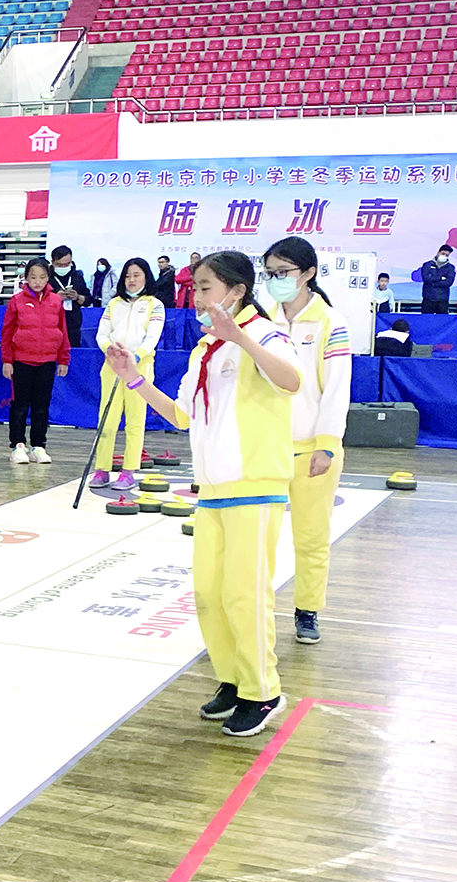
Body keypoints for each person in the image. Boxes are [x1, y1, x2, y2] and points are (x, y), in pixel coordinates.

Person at [103, 250, 303, 737]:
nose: (196, 295)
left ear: (236, 291)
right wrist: (132, 376)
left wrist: (241, 339)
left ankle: (263, 690)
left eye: (207, 286)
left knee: (244, 594)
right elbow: (180, 414)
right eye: (195, 286)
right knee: (210, 596)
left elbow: (292, 381)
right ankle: (233, 679)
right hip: (212, 489)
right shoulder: (204, 350)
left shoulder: (266, 333)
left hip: (255, 484)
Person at [264, 237, 351, 648]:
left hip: (313, 447)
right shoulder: (263, 321)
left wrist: (327, 443)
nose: (276, 281)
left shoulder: (331, 323)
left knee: (312, 536)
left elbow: (337, 389)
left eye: (284, 273)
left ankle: (307, 610)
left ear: (309, 274)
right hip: (265, 446)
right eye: (270, 274)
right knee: (258, 535)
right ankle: (255, 607)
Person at [89, 258, 164, 491]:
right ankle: (102, 469)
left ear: (146, 277)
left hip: (139, 369)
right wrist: (109, 350)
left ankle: (128, 471)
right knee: (107, 419)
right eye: (128, 276)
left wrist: (137, 357)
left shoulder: (155, 304)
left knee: (134, 420)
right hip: (112, 366)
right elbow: (102, 334)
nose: (132, 280)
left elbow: (152, 338)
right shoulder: (114, 304)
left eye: (137, 275)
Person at [2, 258, 70, 465]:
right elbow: (7, 333)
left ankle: (39, 446)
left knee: (42, 406)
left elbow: (63, 331)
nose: (37, 281)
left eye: (42, 277)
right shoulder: (16, 301)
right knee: (20, 406)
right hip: (22, 361)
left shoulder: (56, 301)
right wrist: (7, 360)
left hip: (47, 361)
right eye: (33, 277)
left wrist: (63, 359)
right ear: (26, 278)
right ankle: (18, 445)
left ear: (48, 278)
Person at [48, 245, 91, 348]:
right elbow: (38, 300)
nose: (63, 267)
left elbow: (88, 299)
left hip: (73, 325)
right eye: (59, 265)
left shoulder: (77, 276)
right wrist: (55, 298)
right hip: (51, 325)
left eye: (67, 264)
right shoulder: (46, 277)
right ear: (53, 262)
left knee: (73, 356)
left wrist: (77, 297)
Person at [419, 244, 456, 313]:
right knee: (426, 321)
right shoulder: (427, 265)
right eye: (443, 253)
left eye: (447, 255)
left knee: (442, 321)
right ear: (438, 252)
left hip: (442, 300)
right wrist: (440, 278)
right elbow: (426, 279)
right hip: (428, 299)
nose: (444, 256)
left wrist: (432, 282)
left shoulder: (450, 268)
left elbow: (448, 282)